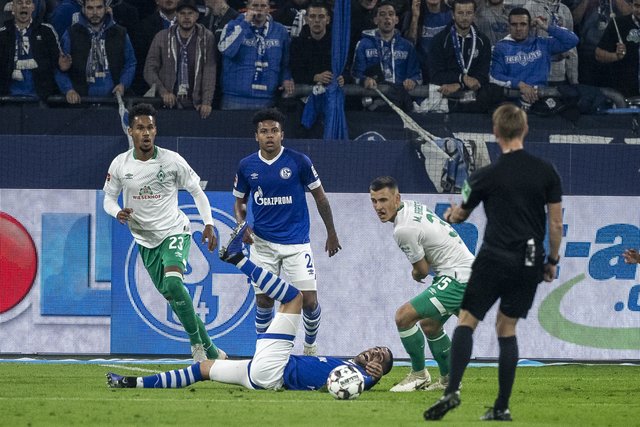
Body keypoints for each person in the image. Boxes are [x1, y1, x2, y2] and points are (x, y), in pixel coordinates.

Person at [107, 223, 393, 392]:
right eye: (378, 348)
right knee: (204, 368)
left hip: (275, 368)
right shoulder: (347, 364)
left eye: (381, 357)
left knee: (294, 298)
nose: (375, 352)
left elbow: (353, 385)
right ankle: (132, 383)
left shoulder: (359, 376)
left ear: (377, 369)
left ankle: (238, 259)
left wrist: (372, 378)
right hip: (260, 375)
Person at [424, 103, 563, 422]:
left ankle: (452, 391)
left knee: (467, 321)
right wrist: (552, 260)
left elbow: (461, 214)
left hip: (494, 257)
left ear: (495, 132)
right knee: (506, 327)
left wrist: (451, 215)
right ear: (525, 129)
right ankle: (501, 406)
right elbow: (555, 224)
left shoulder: (484, 176)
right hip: (529, 259)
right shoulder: (547, 171)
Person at [102, 103, 225, 363]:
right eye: (140, 128)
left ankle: (197, 347)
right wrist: (117, 212)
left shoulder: (172, 160)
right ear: (130, 131)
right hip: (145, 241)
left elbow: (196, 191)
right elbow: (108, 199)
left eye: (150, 127)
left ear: (156, 130)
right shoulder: (120, 164)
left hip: (174, 231)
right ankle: (213, 351)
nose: (145, 133)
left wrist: (209, 223)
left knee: (173, 284)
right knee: (174, 297)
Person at [232, 108, 341, 356]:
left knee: (309, 301)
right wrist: (241, 225)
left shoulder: (299, 161)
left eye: (274, 131)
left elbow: (320, 198)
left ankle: (310, 347)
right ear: (256, 136)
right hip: (262, 245)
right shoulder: (246, 166)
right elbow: (239, 202)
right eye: (264, 131)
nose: (269, 135)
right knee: (264, 300)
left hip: (296, 244)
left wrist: (331, 232)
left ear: (282, 134)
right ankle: (263, 352)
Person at [369, 176, 475, 392]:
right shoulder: (412, 206)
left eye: (383, 200)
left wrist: (415, 274)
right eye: (374, 201)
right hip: (464, 273)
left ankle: (419, 374)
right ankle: (449, 380)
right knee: (430, 324)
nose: (378, 207)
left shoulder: (403, 230)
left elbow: (422, 270)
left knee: (403, 316)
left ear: (397, 198)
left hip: (457, 278)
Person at [489, 7, 578, 107]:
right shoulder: (500, 47)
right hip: (513, 98)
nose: (518, 28)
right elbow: (495, 76)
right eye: (514, 24)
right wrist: (521, 85)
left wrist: (545, 27)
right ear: (509, 26)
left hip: (541, 98)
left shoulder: (542, 43)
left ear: (529, 26)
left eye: (523, 24)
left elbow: (573, 40)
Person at [144, 0, 216, 119]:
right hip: (167, 104)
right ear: (176, 15)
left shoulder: (206, 37)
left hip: (196, 105)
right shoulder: (162, 37)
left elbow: (210, 71)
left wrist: (206, 101)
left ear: (197, 16)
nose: (186, 17)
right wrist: (163, 92)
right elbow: (149, 70)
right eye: (182, 13)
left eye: (190, 13)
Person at [54, 0, 136, 104]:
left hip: (113, 102)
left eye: (99, 7)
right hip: (81, 103)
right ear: (83, 9)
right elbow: (59, 67)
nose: (95, 13)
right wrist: (68, 89)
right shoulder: (70, 34)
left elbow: (130, 63)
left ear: (106, 8)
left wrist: (123, 84)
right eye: (90, 8)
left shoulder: (120, 33)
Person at [217, 0, 294, 110]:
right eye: (255, 5)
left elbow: (285, 63)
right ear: (247, 7)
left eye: (263, 6)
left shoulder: (280, 31)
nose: (259, 9)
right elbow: (226, 50)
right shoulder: (232, 25)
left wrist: (286, 78)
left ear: (269, 8)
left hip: (267, 100)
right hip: (234, 99)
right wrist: (245, 23)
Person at [428, 0, 494, 113]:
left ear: (474, 15)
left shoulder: (483, 41)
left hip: (476, 103)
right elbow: (435, 75)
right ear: (452, 15)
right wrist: (462, 78)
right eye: (460, 13)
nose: (465, 17)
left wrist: (460, 84)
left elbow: (483, 75)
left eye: (469, 13)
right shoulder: (439, 40)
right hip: (445, 101)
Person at [0, 0, 70, 100]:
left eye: (28, 3)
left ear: (33, 7)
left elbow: (57, 66)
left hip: (40, 99)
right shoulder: (2, 35)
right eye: (19, 3)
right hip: (8, 100)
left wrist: (68, 88)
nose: (24, 6)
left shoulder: (47, 31)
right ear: (13, 8)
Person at [352, 0, 422, 91]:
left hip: (400, 97)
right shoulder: (363, 44)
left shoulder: (407, 46)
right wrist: (364, 80)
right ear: (375, 20)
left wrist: (413, 81)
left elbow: (417, 75)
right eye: (382, 14)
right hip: (373, 96)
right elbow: (355, 74)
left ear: (396, 20)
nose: (387, 17)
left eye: (391, 14)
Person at [290, 1, 344, 87]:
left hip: (333, 90)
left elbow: (348, 69)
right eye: (312, 16)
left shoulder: (338, 43)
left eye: (321, 16)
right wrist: (314, 77)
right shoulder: (297, 43)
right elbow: (295, 72)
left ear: (328, 20)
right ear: (306, 19)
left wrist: (343, 78)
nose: (317, 20)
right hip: (305, 91)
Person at [594, 0, 640, 98]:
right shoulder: (618, 24)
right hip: (624, 91)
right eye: (637, 6)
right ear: (631, 5)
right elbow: (598, 54)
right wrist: (616, 56)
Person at [131, 0, 178, 95]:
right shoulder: (143, 26)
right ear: (157, 1)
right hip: (152, 91)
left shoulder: (192, 25)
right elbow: (141, 63)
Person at [403, 0, 451, 85]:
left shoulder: (451, 13)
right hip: (422, 71)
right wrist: (415, 18)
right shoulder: (413, 14)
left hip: (446, 70)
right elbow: (409, 44)